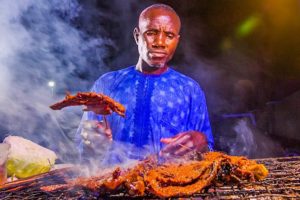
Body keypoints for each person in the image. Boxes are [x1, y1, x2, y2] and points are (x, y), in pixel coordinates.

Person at [76, 4, 214, 163]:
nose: (160, 42)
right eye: (151, 33)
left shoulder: (190, 89)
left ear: (177, 40)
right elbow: (83, 147)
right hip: (110, 183)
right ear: (137, 36)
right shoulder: (107, 84)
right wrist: (91, 143)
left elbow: (209, 153)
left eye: (169, 35)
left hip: (169, 185)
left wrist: (201, 142)